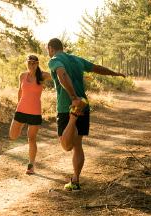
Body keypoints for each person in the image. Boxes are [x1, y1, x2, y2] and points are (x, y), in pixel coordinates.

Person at [46, 38, 125, 191]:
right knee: (77, 145)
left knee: (66, 145)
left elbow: (62, 75)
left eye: (47, 50)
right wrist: (114, 73)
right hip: (84, 105)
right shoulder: (76, 59)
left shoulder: (54, 59)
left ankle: (72, 119)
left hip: (67, 107)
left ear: (50, 48)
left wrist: (73, 97)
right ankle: (75, 181)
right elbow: (97, 68)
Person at [9, 55, 52, 175]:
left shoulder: (43, 76)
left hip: (35, 112)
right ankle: (22, 125)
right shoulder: (22, 75)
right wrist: (18, 106)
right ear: (26, 63)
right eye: (29, 62)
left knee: (31, 138)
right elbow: (20, 91)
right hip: (21, 110)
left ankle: (31, 165)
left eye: (34, 63)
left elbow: (58, 75)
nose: (31, 65)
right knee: (12, 136)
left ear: (37, 63)